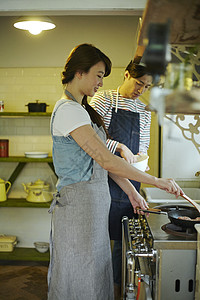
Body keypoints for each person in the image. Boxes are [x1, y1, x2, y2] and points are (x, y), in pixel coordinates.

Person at [48, 43, 182, 300]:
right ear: (80, 72)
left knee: (95, 275)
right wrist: (156, 181)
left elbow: (102, 163)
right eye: (98, 75)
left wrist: (132, 193)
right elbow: (106, 159)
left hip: (92, 207)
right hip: (78, 210)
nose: (100, 82)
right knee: (77, 278)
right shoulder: (67, 110)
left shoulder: (83, 109)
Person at [90, 58, 154, 298]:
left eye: (146, 87)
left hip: (129, 180)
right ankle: (96, 289)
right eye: (138, 83)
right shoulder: (103, 99)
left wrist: (140, 158)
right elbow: (91, 139)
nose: (140, 90)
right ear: (126, 74)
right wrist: (118, 146)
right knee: (98, 238)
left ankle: (117, 290)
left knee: (123, 241)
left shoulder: (144, 110)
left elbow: (144, 146)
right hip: (102, 178)